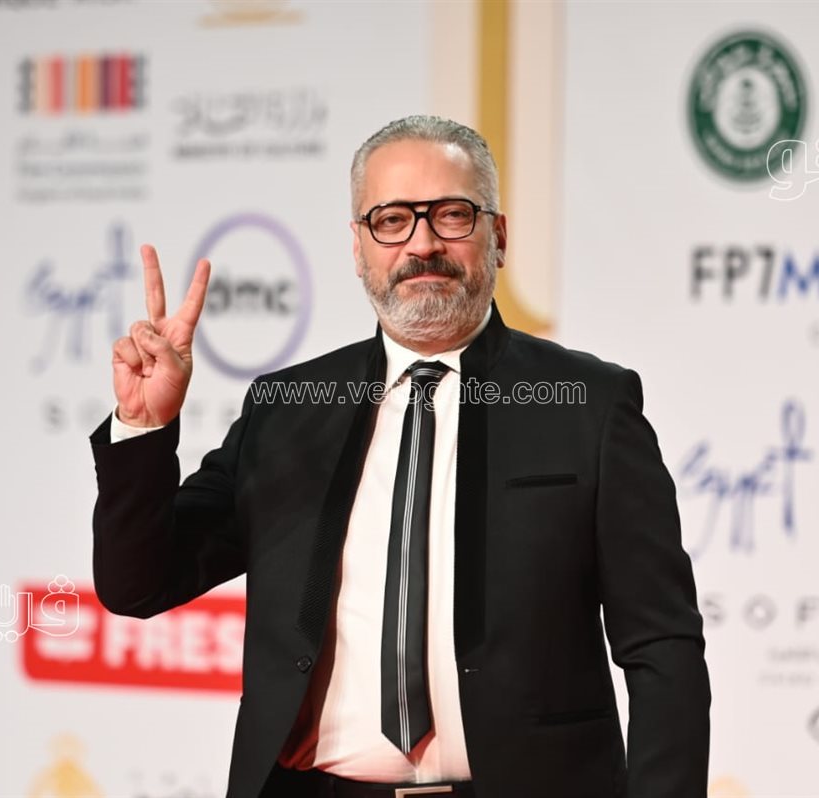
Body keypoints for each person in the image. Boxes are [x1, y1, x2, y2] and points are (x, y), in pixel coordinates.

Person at [90, 115, 710, 798]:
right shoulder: (287, 408)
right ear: (358, 248)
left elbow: (663, 648)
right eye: (391, 220)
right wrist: (143, 427)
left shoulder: (589, 405)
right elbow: (138, 584)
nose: (422, 243)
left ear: (499, 236)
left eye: (452, 215)